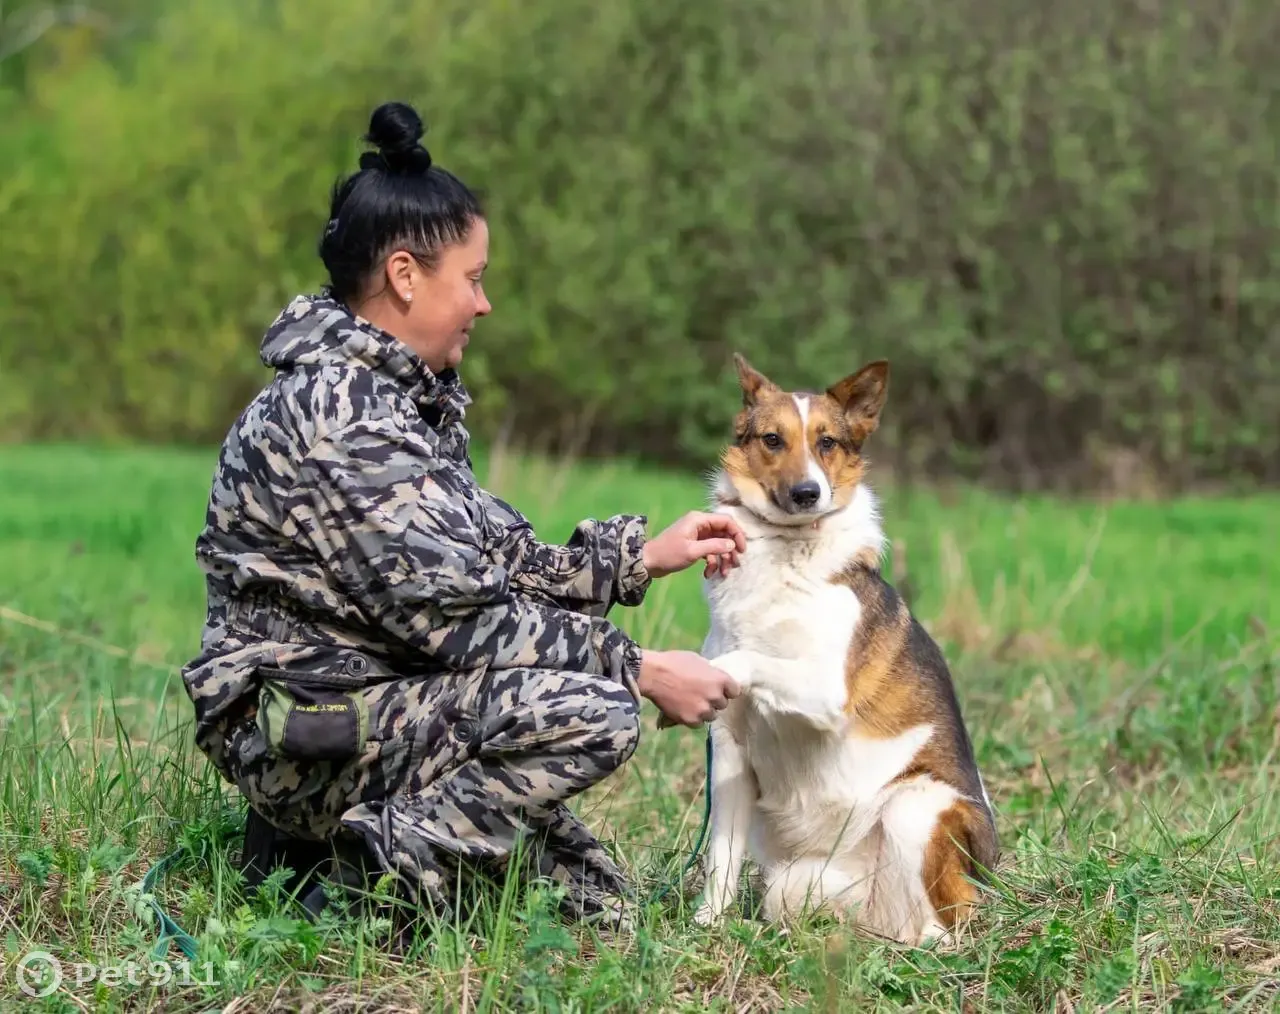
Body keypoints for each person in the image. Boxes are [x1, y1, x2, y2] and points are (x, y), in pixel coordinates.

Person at [179, 100, 746, 933]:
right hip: (305, 731)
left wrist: (639, 558)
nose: (484, 305)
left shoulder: (401, 403)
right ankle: (364, 876)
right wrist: (641, 667)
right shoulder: (345, 417)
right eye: (473, 279)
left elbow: (492, 555)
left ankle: (342, 844)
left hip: (373, 699)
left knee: (595, 905)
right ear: (406, 276)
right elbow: (461, 620)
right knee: (597, 710)